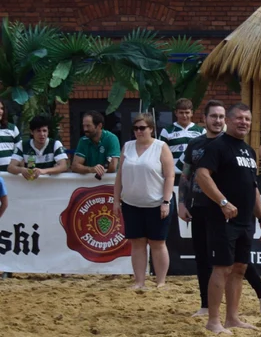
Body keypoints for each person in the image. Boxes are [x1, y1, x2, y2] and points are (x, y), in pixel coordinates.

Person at [180, 100, 261, 317]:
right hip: (210, 211)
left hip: (241, 217)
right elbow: (193, 176)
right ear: (205, 119)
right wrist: (185, 202)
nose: (244, 122)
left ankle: (238, 313)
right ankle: (210, 313)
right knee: (213, 263)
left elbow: (253, 188)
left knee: (240, 266)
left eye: (247, 119)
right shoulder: (206, 146)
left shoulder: (248, 151)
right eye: (239, 118)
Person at [112, 113, 174, 289]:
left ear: (151, 129)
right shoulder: (128, 146)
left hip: (156, 202)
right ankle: (139, 281)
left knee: (157, 242)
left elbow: (169, 176)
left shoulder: (161, 147)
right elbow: (120, 175)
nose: (139, 131)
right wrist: (116, 200)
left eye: (142, 128)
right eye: (136, 128)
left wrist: (166, 201)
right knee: (137, 243)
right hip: (131, 203)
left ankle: (161, 281)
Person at [158, 98, 204, 174]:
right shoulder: (166, 131)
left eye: (187, 112)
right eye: (181, 112)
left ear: (192, 113)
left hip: (194, 174)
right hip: (174, 174)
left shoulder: (201, 131)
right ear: (176, 113)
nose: (184, 116)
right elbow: (160, 154)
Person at [71, 111, 120, 177]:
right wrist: (91, 169)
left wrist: (96, 171)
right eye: (84, 126)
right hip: (87, 183)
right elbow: (75, 166)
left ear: (99, 126)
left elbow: (112, 167)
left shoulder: (111, 138)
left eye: (88, 126)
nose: (85, 129)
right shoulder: (83, 140)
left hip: (107, 183)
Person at [0, 100, 19, 173]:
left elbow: (19, 152)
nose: (0, 111)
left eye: (2, 108)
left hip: (10, 175)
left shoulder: (12, 128)